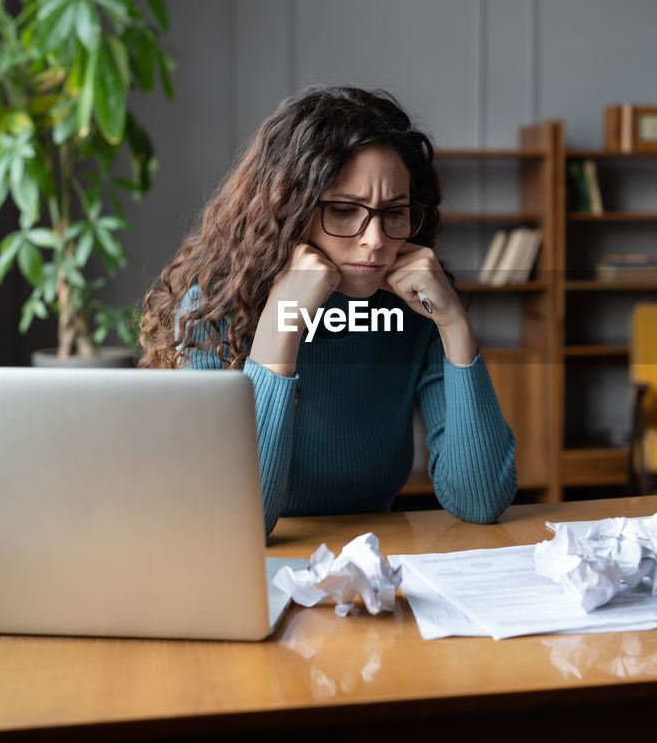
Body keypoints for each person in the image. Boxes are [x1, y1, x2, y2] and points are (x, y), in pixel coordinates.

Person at [141, 86, 517, 535]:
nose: (375, 240)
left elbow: (480, 501)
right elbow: (235, 525)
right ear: (286, 210)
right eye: (343, 210)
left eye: (394, 212)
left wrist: (455, 324)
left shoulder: (419, 305)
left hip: (376, 563)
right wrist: (282, 324)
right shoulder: (214, 307)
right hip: (252, 570)